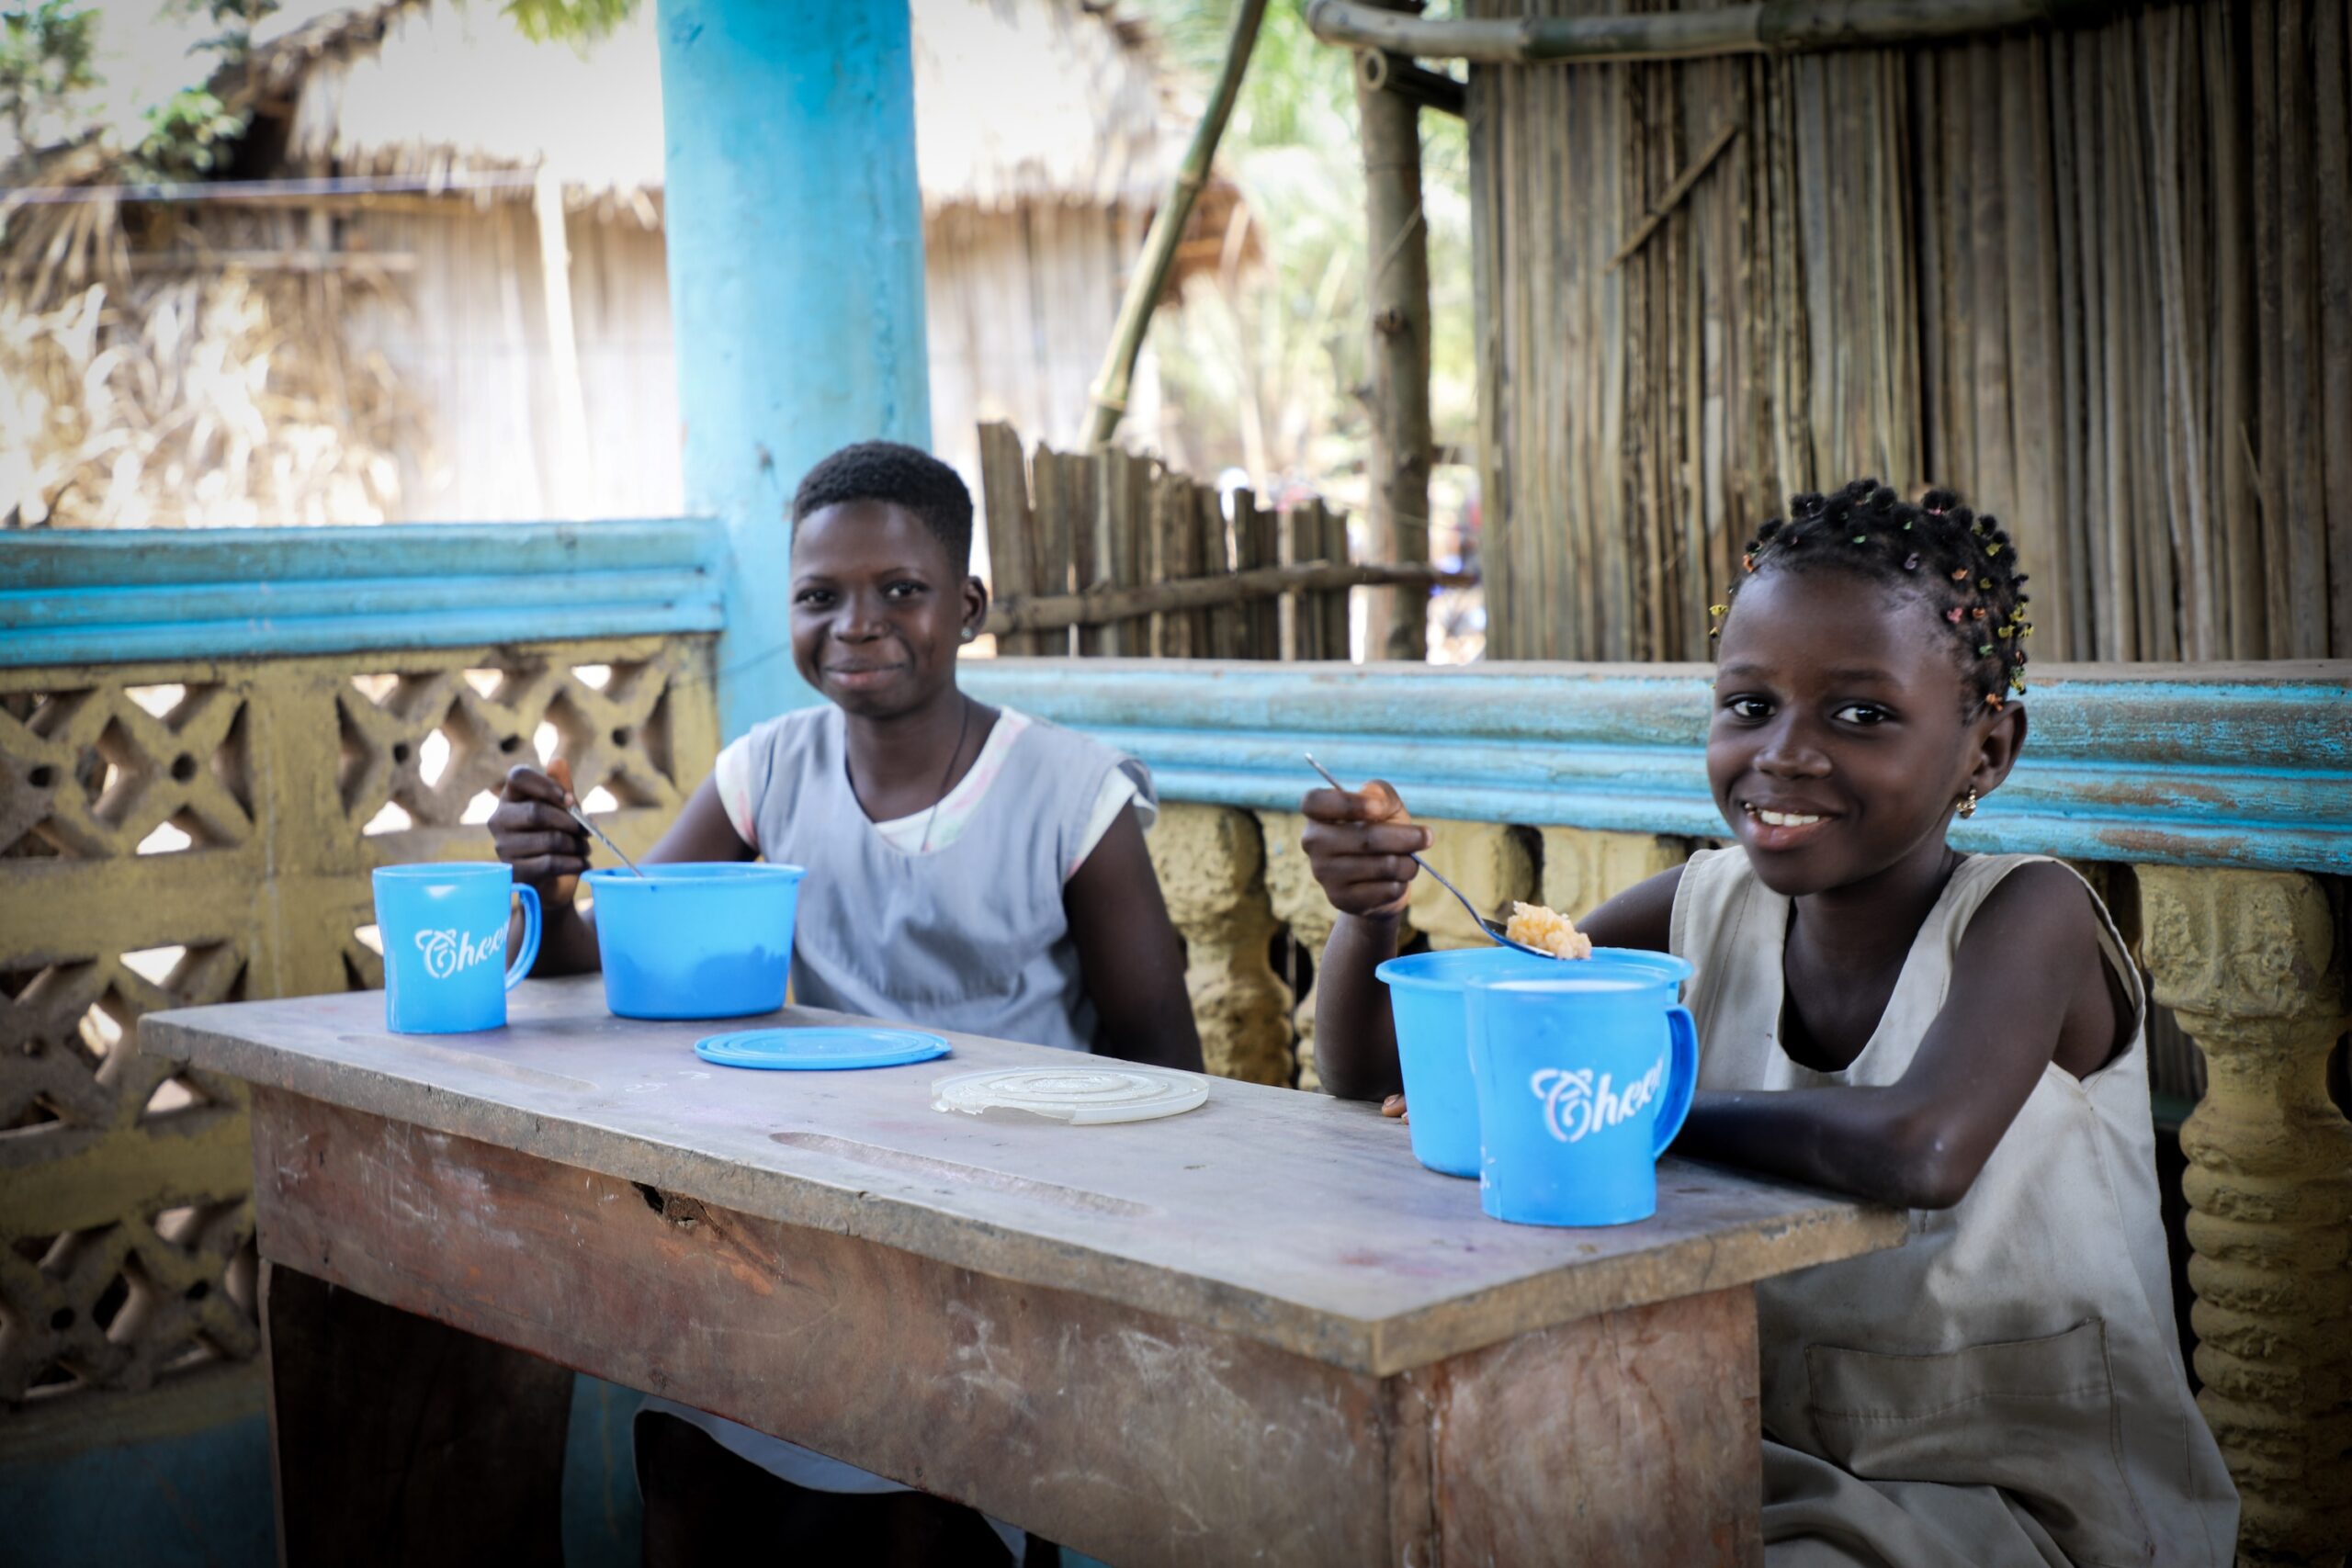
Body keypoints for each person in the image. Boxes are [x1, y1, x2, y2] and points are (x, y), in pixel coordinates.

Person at [1299, 479, 2237, 1566]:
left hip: (2023, 1500)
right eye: (1749, 706)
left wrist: (1623, 1108)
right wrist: (1367, 919)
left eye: (1861, 714)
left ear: (1986, 752)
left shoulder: (2030, 916)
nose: (1784, 753)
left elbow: (1920, 1147)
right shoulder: (1694, 908)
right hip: (1769, 1462)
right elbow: (1382, 1065)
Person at [489, 439, 1202, 1567]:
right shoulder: (766, 772)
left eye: (901, 592)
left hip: (1005, 1240)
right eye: (820, 597)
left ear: (966, 606)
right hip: (809, 1221)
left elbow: (1165, 1066)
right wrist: (545, 881)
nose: (856, 624)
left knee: (910, 1518)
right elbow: (620, 966)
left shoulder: (1069, 793)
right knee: (683, 1459)